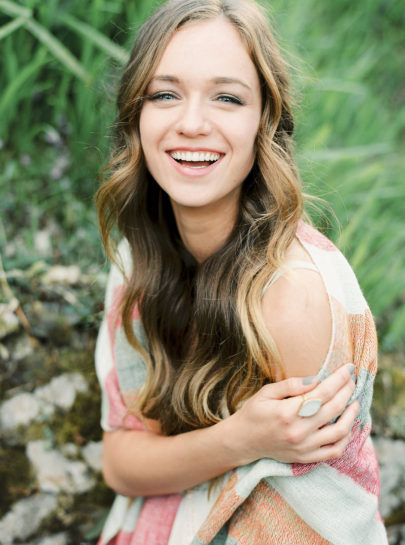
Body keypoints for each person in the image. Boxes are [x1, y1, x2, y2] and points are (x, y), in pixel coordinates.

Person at [94, 0, 387, 543]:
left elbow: (320, 526)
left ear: (265, 122)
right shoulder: (140, 258)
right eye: (164, 94)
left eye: (227, 98)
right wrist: (238, 440)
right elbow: (121, 465)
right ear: (137, 115)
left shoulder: (292, 300)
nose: (192, 123)